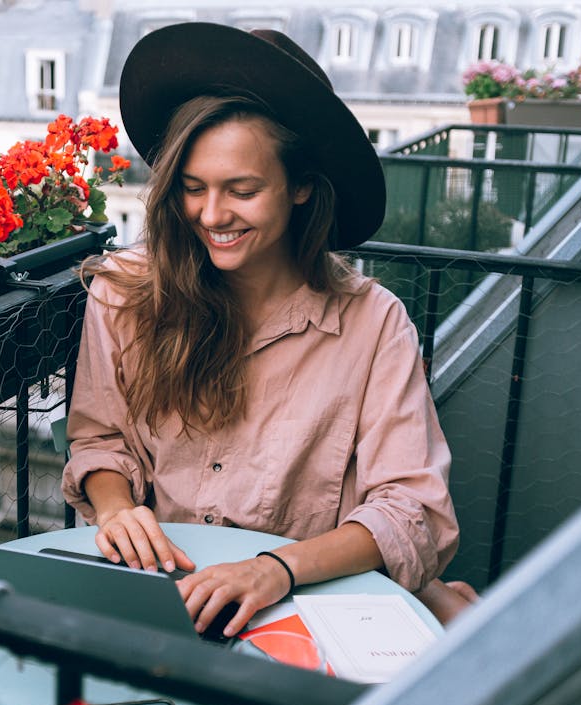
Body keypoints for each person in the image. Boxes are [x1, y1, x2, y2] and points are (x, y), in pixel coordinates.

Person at [61, 22, 476, 635]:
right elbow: (100, 439)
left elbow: (411, 510)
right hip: (161, 598)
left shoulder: (372, 322)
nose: (211, 215)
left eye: (243, 190)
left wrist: (273, 569)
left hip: (305, 609)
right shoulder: (124, 292)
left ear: (302, 186)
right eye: (191, 188)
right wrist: (117, 508)